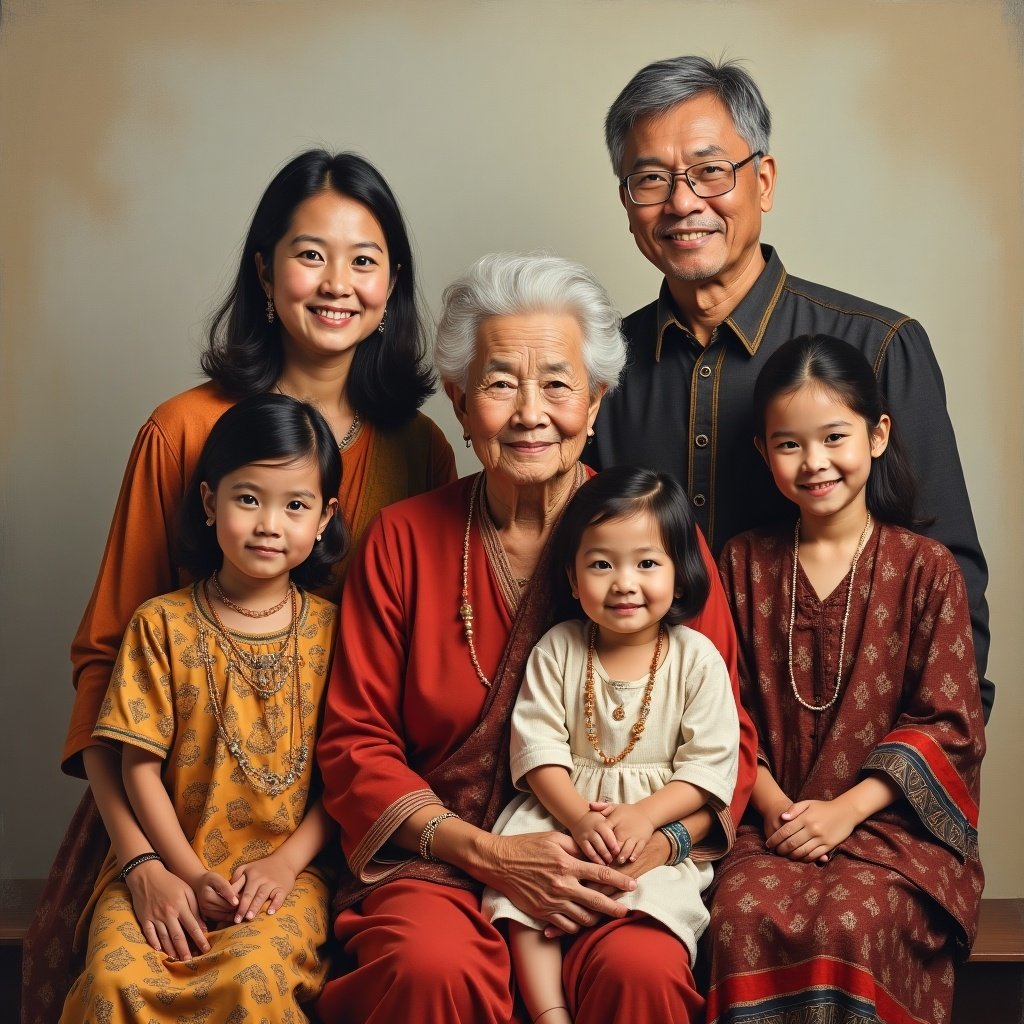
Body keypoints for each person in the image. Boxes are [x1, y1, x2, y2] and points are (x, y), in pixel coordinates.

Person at [24, 149, 455, 1024]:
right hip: (164, 813)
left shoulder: (420, 452)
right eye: (309, 254)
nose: (337, 284)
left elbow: (418, 680)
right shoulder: (181, 432)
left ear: (392, 284)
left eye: (364, 260)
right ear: (264, 272)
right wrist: (144, 863)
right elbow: (106, 663)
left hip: (342, 815)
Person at [315, 252, 758, 1024]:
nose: (529, 413)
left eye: (557, 383)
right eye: (498, 383)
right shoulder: (401, 540)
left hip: (614, 860)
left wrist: (652, 849)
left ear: (596, 401)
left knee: (641, 969)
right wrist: (490, 856)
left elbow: (730, 740)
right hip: (441, 863)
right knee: (429, 967)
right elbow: (357, 745)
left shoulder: (658, 544)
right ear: (458, 401)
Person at [589, 55, 993, 721]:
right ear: (628, 205)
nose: (683, 201)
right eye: (651, 180)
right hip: (646, 760)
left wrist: (902, 785)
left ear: (764, 180)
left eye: (710, 170)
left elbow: (952, 595)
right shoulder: (602, 369)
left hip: (840, 763)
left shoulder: (880, 347)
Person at [707, 335, 984, 1023]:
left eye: (834, 436)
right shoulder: (740, 564)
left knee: (856, 925)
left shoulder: (926, 569)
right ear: (763, 454)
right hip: (765, 823)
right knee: (738, 915)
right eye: (789, 444)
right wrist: (775, 807)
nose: (815, 463)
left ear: (879, 433)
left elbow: (948, 723)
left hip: (893, 832)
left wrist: (844, 812)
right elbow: (719, 710)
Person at [59, 394, 347, 1022]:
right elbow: (137, 769)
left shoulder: (338, 633)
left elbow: (349, 772)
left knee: (253, 979)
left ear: (324, 518)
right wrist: (183, 874)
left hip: (284, 880)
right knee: (114, 977)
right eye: (249, 498)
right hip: (163, 864)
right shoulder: (160, 624)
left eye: (295, 505)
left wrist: (286, 862)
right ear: (209, 501)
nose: (270, 523)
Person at [482, 466, 739, 1024]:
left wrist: (645, 817)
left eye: (647, 563)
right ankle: (549, 1011)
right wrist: (576, 818)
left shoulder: (696, 658)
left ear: (679, 572)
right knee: (522, 908)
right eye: (601, 564)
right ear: (573, 579)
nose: (624, 582)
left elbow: (709, 768)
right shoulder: (559, 647)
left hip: (647, 826)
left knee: (654, 912)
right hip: (560, 815)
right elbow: (537, 749)